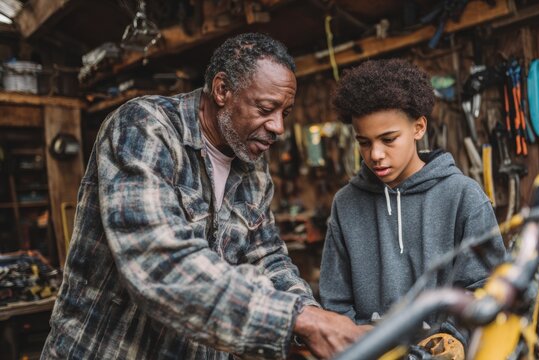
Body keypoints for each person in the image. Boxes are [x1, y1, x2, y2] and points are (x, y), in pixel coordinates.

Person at [42, 33, 366, 360]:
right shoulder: (144, 128)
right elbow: (161, 264)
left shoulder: (252, 164)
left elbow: (266, 254)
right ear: (222, 90)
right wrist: (300, 318)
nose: (279, 126)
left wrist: (311, 313)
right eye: (267, 108)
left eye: (286, 112)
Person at [319, 59, 506, 349]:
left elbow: (486, 287)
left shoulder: (463, 196)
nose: (376, 154)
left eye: (388, 139)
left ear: (418, 127)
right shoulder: (346, 205)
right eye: (364, 143)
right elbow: (335, 302)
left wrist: (451, 341)